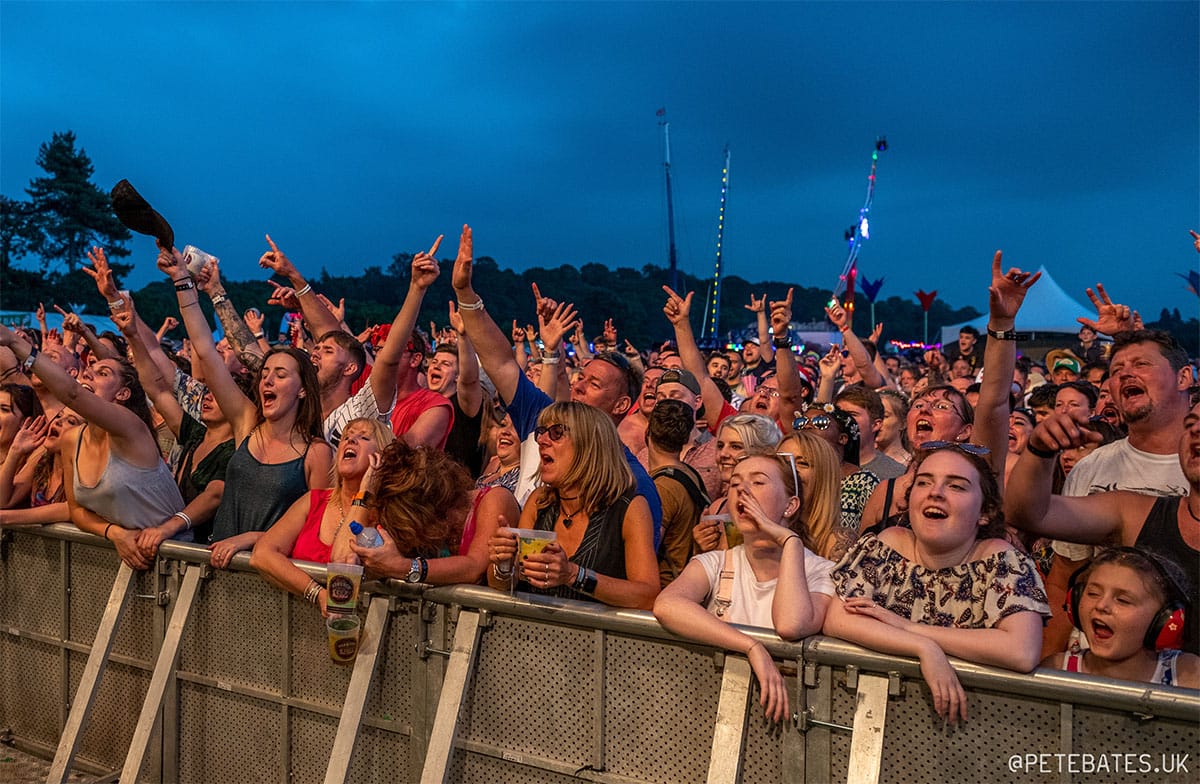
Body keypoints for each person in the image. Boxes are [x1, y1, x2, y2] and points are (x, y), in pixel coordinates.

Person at [450, 225, 662, 529]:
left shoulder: (629, 480)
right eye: (582, 377)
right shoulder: (542, 419)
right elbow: (502, 364)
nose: (578, 385)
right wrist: (465, 293)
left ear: (621, 404)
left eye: (594, 383)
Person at [823, 444, 1050, 723]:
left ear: (985, 512)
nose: (935, 492)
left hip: (975, 729)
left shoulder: (1003, 561)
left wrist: (911, 628)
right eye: (924, 482)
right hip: (877, 717)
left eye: (956, 486)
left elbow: (1021, 650)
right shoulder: (886, 544)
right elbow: (838, 619)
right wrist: (922, 647)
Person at [158, 245, 333, 567]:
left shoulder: (316, 452)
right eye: (265, 374)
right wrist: (183, 283)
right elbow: (205, 350)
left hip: (271, 578)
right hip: (218, 565)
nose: (267, 381)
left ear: (304, 391)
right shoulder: (247, 423)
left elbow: (317, 529)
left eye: (280, 375)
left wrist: (253, 539)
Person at [1003, 402, 1200, 653]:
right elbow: (1027, 513)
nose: (1196, 430)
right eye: (1190, 424)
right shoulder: (1136, 512)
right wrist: (1039, 451)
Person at [654, 454, 834, 722]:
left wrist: (790, 541)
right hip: (718, 716)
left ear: (790, 505)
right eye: (735, 484)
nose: (743, 490)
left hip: (791, 726)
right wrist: (750, 646)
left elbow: (791, 624)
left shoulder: (822, 572)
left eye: (758, 482)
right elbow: (667, 605)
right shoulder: (716, 563)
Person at [0, 320, 186, 570]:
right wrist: (115, 533)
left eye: (103, 373)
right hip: (126, 556)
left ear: (122, 394)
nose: (88, 373)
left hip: (176, 561)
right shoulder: (71, 439)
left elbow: (73, 395)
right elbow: (77, 511)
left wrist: (14, 342)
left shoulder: (131, 427)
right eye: (91, 368)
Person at [486, 402, 659, 609]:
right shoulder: (539, 502)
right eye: (541, 432)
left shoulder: (629, 509)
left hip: (599, 638)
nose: (541, 440)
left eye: (556, 432)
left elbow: (647, 595)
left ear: (589, 446)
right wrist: (503, 564)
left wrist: (573, 575)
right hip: (533, 635)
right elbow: (502, 584)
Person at [250, 418, 394, 613]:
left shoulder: (390, 513)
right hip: (294, 628)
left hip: (359, 630)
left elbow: (342, 560)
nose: (350, 441)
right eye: (345, 437)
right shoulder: (314, 501)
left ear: (382, 457)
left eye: (363, 437)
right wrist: (317, 593)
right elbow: (261, 554)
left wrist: (365, 492)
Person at [1041, 548, 1197, 689]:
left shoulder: (1189, 677)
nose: (1101, 605)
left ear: (1165, 619)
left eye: (1123, 600)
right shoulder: (1055, 671)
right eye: (1093, 593)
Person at [691, 413, 782, 551]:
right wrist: (704, 546)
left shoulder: (776, 505)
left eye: (736, 447)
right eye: (720, 446)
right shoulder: (716, 508)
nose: (723, 454)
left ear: (762, 453)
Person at [645, 399, 710, 586]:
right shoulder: (690, 473)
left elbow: (645, 549)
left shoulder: (662, 488)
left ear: (647, 432)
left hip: (665, 588)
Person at [777, 431, 844, 561]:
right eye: (782, 461)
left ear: (823, 477)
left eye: (802, 463)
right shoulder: (756, 534)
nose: (791, 469)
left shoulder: (835, 542)